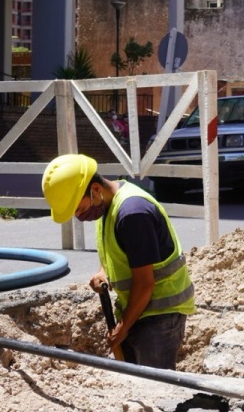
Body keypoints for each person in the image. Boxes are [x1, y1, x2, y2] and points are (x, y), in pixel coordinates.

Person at [41, 154, 195, 369]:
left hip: (160, 314)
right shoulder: (106, 205)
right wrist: (102, 272)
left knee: (157, 387)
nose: (79, 216)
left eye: (79, 209)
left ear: (95, 189)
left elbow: (145, 283)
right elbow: (118, 249)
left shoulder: (133, 214)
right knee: (137, 382)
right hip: (138, 308)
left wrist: (122, 328)